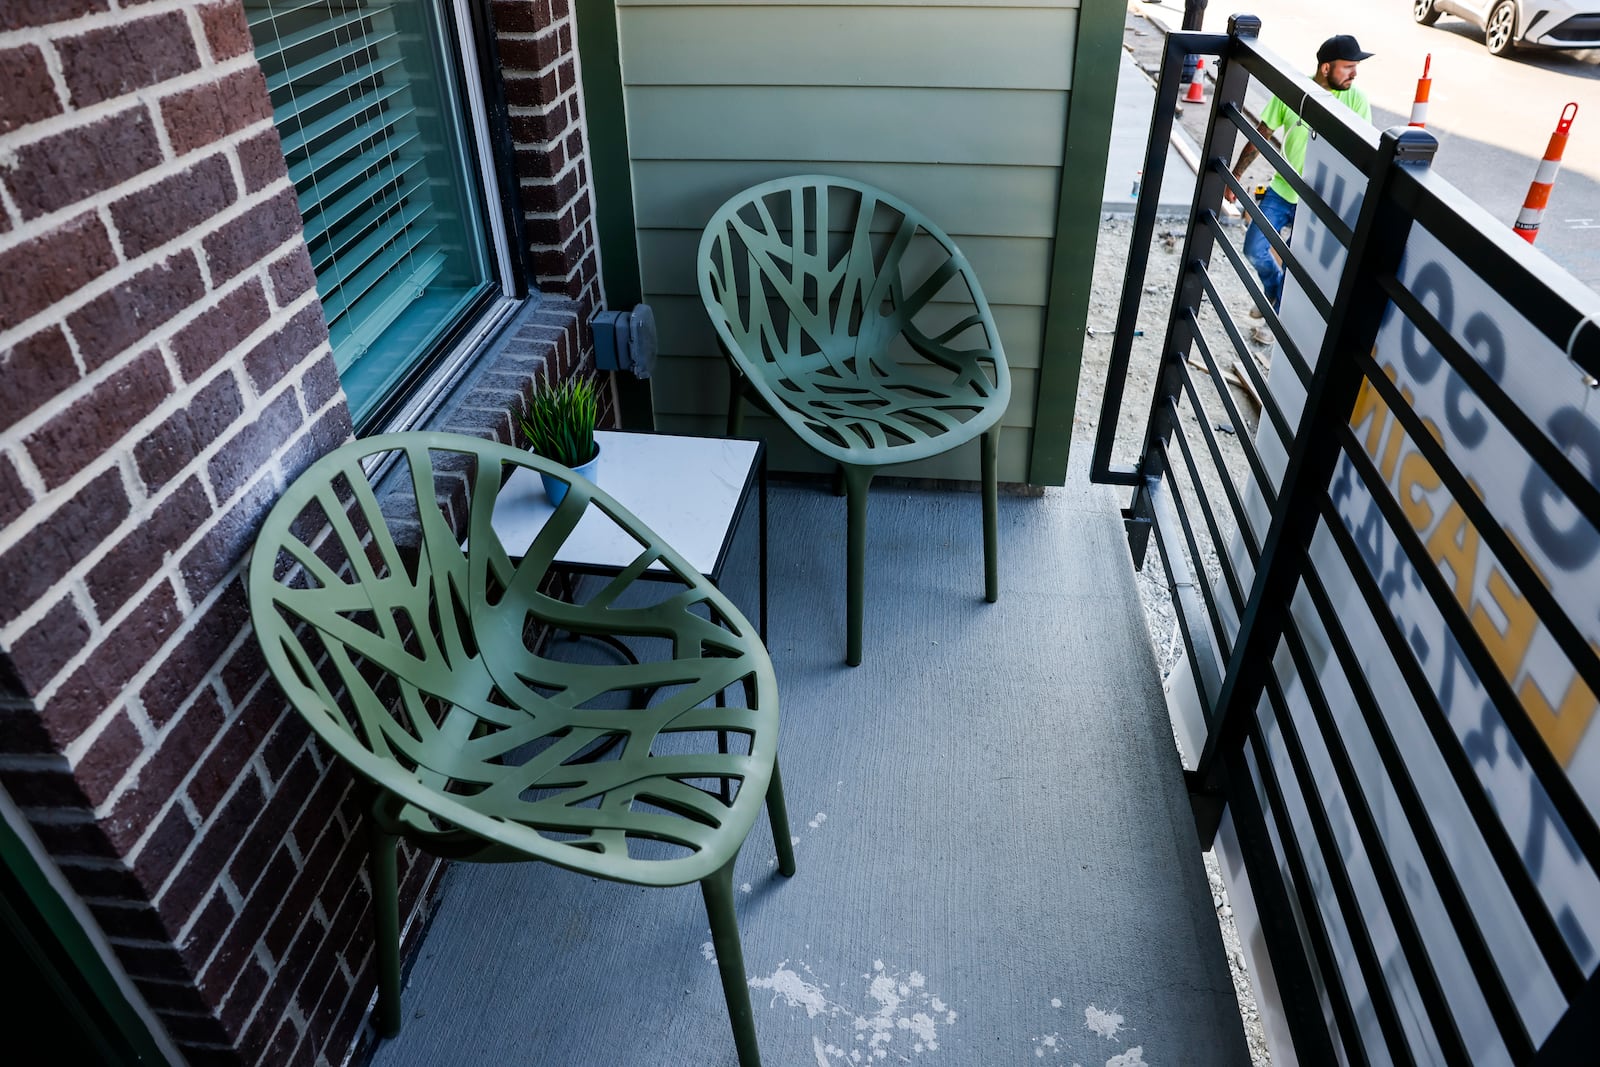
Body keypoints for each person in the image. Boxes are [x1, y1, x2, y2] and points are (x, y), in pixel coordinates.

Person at [1227, 34, 1374, 344]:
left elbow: (1364, 157)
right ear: (1325, 68)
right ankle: (1275, 295)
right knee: (1254, 249)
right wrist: (1236, 175)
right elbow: (1262, 133)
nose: (1355, 74)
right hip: (1284, 188)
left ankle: (1277, 314)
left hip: (1322, 199)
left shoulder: (1356, 101)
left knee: (1299, 266)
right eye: (1348, 67)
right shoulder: (1293, 92)